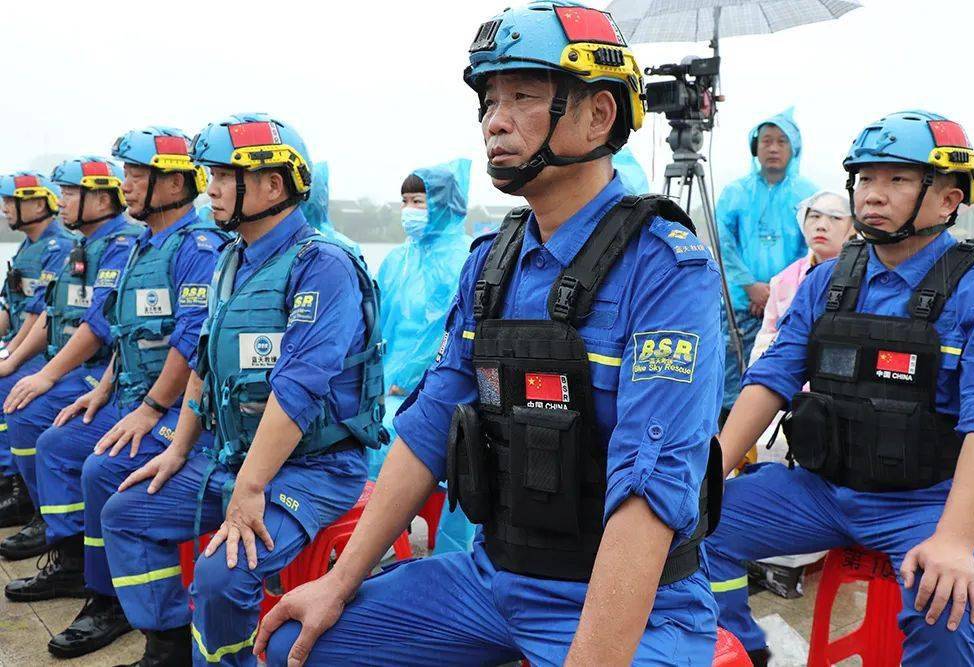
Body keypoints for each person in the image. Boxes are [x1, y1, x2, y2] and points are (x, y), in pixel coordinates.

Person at [255, 3, 724, 665]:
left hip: (634, 604)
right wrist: (339, 580)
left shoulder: (669, 271)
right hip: (492, 578)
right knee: (294, 645)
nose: (495, 120)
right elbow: (426, 428)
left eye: (524, 96)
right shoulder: (490, 265)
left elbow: (651, 487)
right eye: (489, 100)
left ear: (598, 115)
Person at [704, 111, 974, 665]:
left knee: (948, 608)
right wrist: (710, 474)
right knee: (689, 526)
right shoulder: (828, 281)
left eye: (897, 180)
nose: (874, 195)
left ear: (948, 200)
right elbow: (771, 377)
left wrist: (957, 541)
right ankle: (742, 649)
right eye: (866, 179)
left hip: (933, 501)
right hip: (825, 491)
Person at [101, 113, 385, 667]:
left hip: (315, 467)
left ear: (271, 185)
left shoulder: (321, 266)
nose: (210, 189)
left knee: (220, 576)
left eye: (223, 177)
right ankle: (168, 648)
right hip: (233, 459)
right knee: (126, 513)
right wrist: (178, 451)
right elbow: (205, 364)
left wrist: (250, 489)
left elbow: (298, 388)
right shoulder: (231, 261)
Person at [3, 127, 225, 659]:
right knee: (62, 444)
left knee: (101, 468)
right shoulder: (141, 246)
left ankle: (118, 603)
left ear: (174, 184)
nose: (127, 185)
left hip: (178, 411)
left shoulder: (197, 247)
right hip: (129, 396)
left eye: (137, 175)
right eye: (126, 174)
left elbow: (191, 341)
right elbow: (116, 329)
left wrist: (151, 409)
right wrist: (100, 389)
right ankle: (84, 573)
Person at [0, 158, 140, 568]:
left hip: (95, 370)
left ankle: (62, 538)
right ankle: (42, 510)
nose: (62, 203)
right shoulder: (81, 245)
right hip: (75, 366)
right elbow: (46, 311)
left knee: (30, 412)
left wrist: (40, 374)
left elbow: (99, 325)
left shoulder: (121, 245)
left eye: (70, 194)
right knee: (22, 403)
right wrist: (11, 358)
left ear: (100, 198)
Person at [369, 159, 475, 555]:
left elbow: (458, 335)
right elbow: (379, 327)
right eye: (405, 201)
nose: (409, 211)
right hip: (389, 387)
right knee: (365, 434)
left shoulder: (466, 257)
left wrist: (417, 379)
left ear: (445, 205)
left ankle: (453, 562)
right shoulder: (397, 261)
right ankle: (371, 544)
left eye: (419, 201)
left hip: (444, 389)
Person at [715, 108, 818, 421]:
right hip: (739, 303)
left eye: (781, 142)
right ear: (755, 148)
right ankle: (730, 454)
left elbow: (812, 249)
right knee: (730, 378)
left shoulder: (808, 196)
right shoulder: (735, 193)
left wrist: (776, 293)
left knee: (786, 379)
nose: (773, 148)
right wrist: (750, 286)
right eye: (767, 141)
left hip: (790, 306)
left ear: (793, 149)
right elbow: (724, 244)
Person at [0, 172, 76, 529]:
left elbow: (39, 317)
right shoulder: (27, 247)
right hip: (26, 347)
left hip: (45, 354)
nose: (4, 209)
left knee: (10, 390)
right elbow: (10, 308)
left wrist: (9, 358)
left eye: (10, 201)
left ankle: (20, 491)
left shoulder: (59, 247)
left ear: (35, 202)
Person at [748, 190, 854, 363]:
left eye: (835, 217)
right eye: (814, 216)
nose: (821, 225)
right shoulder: (783, 280)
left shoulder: (865, 276)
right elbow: (766, 339)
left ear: (853, 227)